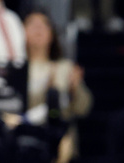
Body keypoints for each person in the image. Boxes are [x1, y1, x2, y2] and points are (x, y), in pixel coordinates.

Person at [23, 10, 93, 161]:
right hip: (27, 145)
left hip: (61, 148)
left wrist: (75, 89)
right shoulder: (17, 69)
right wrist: (45, 93)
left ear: (52, 33)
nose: (38, 29)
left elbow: (83, 108)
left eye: (44, 25)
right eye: (32, 24)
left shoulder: (66, 68)